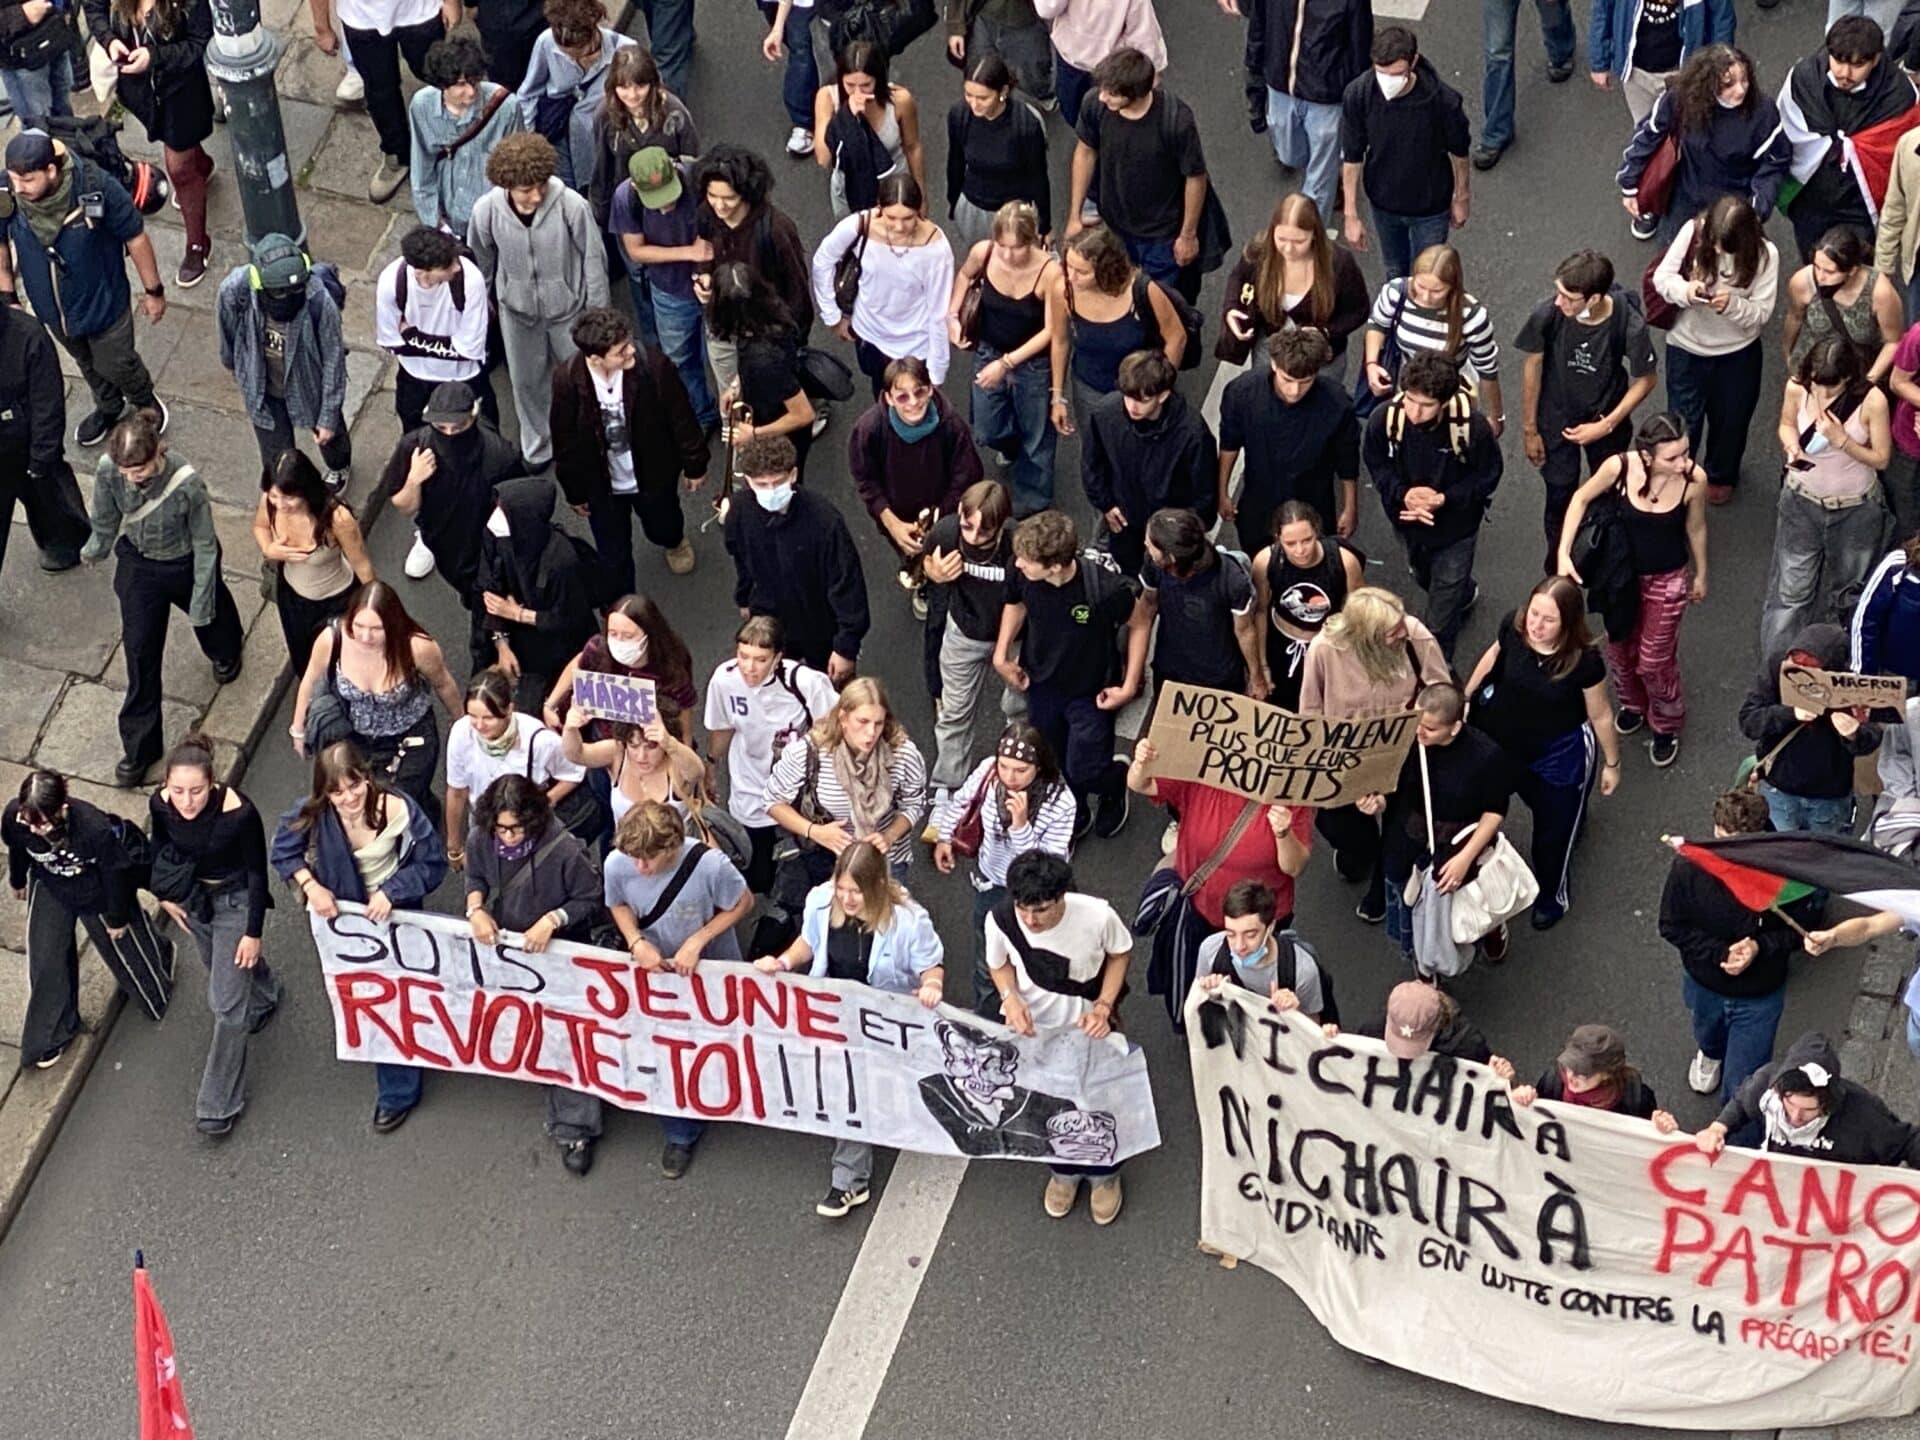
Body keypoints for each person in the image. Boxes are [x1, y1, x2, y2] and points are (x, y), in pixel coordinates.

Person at [754, 842, 944, 1217]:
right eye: (842, 889)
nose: (847, 898)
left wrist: (932, 985)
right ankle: (849, 1180)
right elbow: (808, 943)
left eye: (855, 891)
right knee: (850, 1093)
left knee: (877, 1087)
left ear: (876, 886)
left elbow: (931, 964)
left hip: (887, 1018)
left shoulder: (908, 920)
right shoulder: (821, 901)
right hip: (838, 1014)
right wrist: (783, 962)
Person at [271, 742, 446, 1130]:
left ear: (367, 778)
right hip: (349, 926)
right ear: (325, 793)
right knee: (377, 1000)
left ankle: (408, 1074)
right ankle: (398, 1091)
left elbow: (431, 866)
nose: (349, 799)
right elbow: (283, 851)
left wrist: (393, 891)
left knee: (404, 993)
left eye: (355, 787)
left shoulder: (398, 809)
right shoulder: (311, 814)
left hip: (398, 916)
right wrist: (309, 886)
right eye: (337, 792)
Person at [83, 411, 242, 788]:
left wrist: (202, 599)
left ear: (158, 454)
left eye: (139, 468)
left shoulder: (186, 483)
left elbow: (205, 545)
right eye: (127, 470)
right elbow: (105, 516)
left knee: (211, 614)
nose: (133, 477)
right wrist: (96, 548)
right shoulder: (109, 470)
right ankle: (141, 749)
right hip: (139, 563)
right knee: (140, 654)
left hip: (184, 561)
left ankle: (226, 649)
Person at [463, 774, 606, 1173]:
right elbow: (475, 876)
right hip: (515, 953)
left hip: (562, 951)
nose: (506, 837)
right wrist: (476, 908)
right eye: (500, 828)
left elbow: (591, 897)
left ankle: (575, 1125)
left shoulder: (562, 850)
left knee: (567, 1035)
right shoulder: (481, 837)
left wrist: (553, 920)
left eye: (515, 828)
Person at [605, 799, 754, 1177]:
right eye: (634, 859)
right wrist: (636, 942)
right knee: (667, 1052)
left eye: (648, 860)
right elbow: (618, 903)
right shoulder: (618, 863)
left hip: (711, 970)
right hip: (655, 974)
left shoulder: (710, 865)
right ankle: (680, 1132)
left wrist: (698, 940)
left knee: (717, 1043)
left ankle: (725, 1093)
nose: (639, 867)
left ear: (671, 848)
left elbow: (742, 902)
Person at [1464, 576, 1621, 931]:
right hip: (1502, 744)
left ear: (1568, 623)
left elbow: (1600, 714)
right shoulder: (1513, 626)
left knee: (1553, 835)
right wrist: (1467, 694)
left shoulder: (1584, 662)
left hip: (1557, 755)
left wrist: (1612, 763)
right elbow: (1495, 654)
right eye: (1534, 613)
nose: (1536, 625)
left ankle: (1552, 894)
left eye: (1548, 620)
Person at [0, 128, 170, 449]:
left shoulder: (95, 187)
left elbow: (135, 236)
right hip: (53, 311)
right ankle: (108, 407)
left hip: (104, 305)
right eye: (14, 178)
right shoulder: (7, 191)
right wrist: (9, 296)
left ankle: (144, 401)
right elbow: (0, 243)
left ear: (51, 170)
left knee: (116, 363)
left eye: (27, 179)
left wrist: (154, 291)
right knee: (87, 364)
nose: (18, 188)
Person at [984, 850, 1130, 1221]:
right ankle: (1063, 1172)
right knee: (1048, 1104)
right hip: (1036, 1033)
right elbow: (998, 964)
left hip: (1087, 1028)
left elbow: (1120, 954)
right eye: (1024, 910)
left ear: (1062, 896)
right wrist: (1010, 998)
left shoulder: (1098, 915)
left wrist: (1104, 1006)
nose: (1031, 920)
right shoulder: (1001, 919)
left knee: (1096, 1101)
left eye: (1042, 910)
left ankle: (1105, 1175)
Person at [1558, 411, 1709, 769]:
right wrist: (1563, 552)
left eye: (1685, 453)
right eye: (1672, 457)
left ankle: (1666, 722)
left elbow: (1697, 528)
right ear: (1647, 456)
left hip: (1668, 578)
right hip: (1620, 576)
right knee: (1619, 649)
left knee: (1655, 661)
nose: (1683, 463)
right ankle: (1633, 704)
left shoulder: (1694, 480)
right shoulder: (1619, 467)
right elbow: (1580, 499)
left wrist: (1701, 574)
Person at [1128, 736, 1312, 1027]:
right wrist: (1141, 763)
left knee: (1258, 984)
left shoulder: (1290, 796)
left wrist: (1283, 834)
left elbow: (1294, 866)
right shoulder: (1202, 775)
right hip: (1202, 910)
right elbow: (1142, 784)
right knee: (1202, 976)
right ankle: (1201, 1025)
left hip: (1258, 920)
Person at [148, 735, 279, 1139]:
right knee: (219, 965)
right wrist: (164, 895)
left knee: (224, 1004)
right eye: (178, 790)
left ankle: (218, 1103)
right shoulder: (160, 804)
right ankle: (266, 993)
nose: (186, 802)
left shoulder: (240, 815)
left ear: (214, 784)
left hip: (235, 900)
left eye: (197, 791)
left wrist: (252, 932)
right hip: (194, 898)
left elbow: (258, 873)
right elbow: (159, 846)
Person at [1298, 586, 1451, 922]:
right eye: (1391, 631)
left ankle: (1381, 888)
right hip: (1347, 755)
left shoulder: (1413, 635)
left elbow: (1439, 687)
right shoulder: (1325, 649)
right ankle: (1360, 854)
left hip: (1403, 748)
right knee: (1337, 823)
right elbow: (1311, 709)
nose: (1402, 632)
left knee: (1401, 826)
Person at [1659, 789, 1820, 1105]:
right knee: (1708, 1034)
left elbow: (1802, 932)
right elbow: (1671, 926)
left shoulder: (1787, 876)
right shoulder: (1688, 868)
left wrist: (1760, 947)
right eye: (1718, 838)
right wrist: (1720, 953)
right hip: (1704, 980)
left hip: (1759, 994)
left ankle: (1737, 1143)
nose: (1721, 853)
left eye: (1733, 846)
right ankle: (1711, 1053)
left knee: (1745, 1087)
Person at [996, 510, 1148, 838]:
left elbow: (1139, 623)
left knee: (1086, 766)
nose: (1018, 565)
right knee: (1052, 758)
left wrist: (1129, 684)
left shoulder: (1104, 589)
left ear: (1054, 566)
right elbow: (1015, 602)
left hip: (1090, 690)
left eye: (1026, 561)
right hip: (1040, 684)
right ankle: (1074, 809)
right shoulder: (1020, 568)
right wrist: (1001, 652)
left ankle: (1114, 781)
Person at [6, 770, 171, 1068]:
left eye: (41, 822)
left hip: (97, 891)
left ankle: (160, 957)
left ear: (61, 810)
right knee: (45, 960)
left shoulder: (93, 829)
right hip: (53, 884)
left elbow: (116, 873)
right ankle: (54, 1034)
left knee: (130, 963)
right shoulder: (15, 819)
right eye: (28, 822)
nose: (35, 830)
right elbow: (18, 849)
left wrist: (117, 918)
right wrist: (18, 880)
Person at [467, 132, 609, 470]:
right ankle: (539, 447)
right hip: (516, 313)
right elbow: (480, 259)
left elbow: (593, 259)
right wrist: (482, 303)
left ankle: (593, 439)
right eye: (526, 189)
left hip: (569, 312)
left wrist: (599, 316)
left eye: (541, 185)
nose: (536, 195)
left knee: (584, 380)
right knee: (527, 383)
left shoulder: (572, 205)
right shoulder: (486, 211)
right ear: (507, 186)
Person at [1516, 249, 1659, 560]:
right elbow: (1533, 367)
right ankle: (1557, 566)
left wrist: (1607, 424)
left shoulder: (1627, 322)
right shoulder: (1549, 315)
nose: (1559, 302)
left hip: (1604, 418)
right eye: (1558, 292)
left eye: (1569, 297)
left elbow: (1647, 379)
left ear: (1594, 299)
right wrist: (1530, 430)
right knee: (1558, 494)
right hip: (1557, 417)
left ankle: (1599, 557)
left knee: (1607, 492)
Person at [550, 305, 706, 591]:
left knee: (664, 521)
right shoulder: (568, 380)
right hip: (602, 481)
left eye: (629, 344)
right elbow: (564, 439)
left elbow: (681, 415)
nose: (631, 352)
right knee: (612, 552)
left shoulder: (654, 367)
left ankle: (673, 541)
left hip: (652, 468)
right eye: (620, 351)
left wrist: (694, 463)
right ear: (595, 359)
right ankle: (622, 603)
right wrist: (574, 490)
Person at [1362, 352, 1502, 660]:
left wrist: (1444, 499)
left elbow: (1488, 475)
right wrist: (1403, 494)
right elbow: (1376, 461)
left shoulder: (1472, 429)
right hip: (1407, 523)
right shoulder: (1386, 418)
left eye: (1426, 405)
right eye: (1410, 400)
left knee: (1439, 620)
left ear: (1444, 401)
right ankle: (1462, 594)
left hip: (1456, 530)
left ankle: (1437, 670)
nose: (1414, 411)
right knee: (1423, 576)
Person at [1367, 680, 1516, 968]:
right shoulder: (1407, 741)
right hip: (1409, 834)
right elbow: (1392, 790)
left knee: (1466, 899)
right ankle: (1423, 959)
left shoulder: (1485, 755)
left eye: (1430, 728)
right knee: (1407, 896)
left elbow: (1495, 810)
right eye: (1417, 722)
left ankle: (1489, 929)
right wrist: (1378, 804)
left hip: (1458, 841)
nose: (1419, 732)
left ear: (1455, 727)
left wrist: (1465, 858)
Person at [934, 721, 1076, 1014]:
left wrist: (1021, 827)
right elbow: (963, 801)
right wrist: (944, 838)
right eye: (1004, 766)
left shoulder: (1061, 802)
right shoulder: (989, 772)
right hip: (992, 884)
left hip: (1034, 896)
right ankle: (987, 1018)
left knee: (1035, 960)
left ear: (1039, 767)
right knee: (989, 962)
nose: (1009, 777)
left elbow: (1047, 869)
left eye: (1020, 770)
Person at [1765, 336, 1892, 661]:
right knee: (1791, 595)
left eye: (1831, 390)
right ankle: (1777, 673)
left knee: (1847, 596)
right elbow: (1786, 423)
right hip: (1801, 501)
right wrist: (1791, 446)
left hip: (1854, 510)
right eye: (1816, 387)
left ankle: (1838, 669)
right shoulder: (1798, 387)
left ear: (1849, 379)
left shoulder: (1872, 401)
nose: (1821, 396)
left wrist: (1843, 441)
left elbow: (1881, 458)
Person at [290, 580, 463, 813]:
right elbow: (310, 681)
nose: (364, 636)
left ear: (392, 624)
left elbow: (443, 684)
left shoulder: (417, 648)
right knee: (366, 802)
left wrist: (463, 725)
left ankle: (424, 822)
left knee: (406, 801)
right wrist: (299, 730)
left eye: (376, 629)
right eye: (358, 625)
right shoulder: (333, 639)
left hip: (410, 736)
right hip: (356, 737)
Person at [1651, 195, 1778, 505]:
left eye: (1727, 246)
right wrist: (1685, 291)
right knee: (1684, 419)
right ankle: (1680, 474)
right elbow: (1661, 278)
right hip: (1687, 347)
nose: (1719, 251)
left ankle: (1721, 473)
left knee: (1732, 419)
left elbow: (1762, 312)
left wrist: (1733, 306)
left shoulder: (1766, 255)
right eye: (1715, 244)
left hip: (1738, 351)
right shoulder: (1693, 231)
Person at [765, 677, 930, 914]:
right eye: (862, 721)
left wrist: (890, 836)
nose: (871, 733)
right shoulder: (810, 752)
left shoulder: (903, 754)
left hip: (886, 860)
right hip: (830, 860)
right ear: (843, 718)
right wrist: (817, 832)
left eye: (878, 723)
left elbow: (914, 802)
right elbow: (773, 801)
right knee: (836, 930)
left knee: (885, 926)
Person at [85, 0, 218, 287]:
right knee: (181, 149)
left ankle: (198, 244)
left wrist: (154, 56)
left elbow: (198, 42)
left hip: (181, 93)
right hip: (140, 92)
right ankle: (202, 165)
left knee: (179, 168)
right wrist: (109, 41)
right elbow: (93, 8)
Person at [1066, 47, 1213, 302]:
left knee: (1160, 300)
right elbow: (1085, 152)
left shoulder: (1175, 121)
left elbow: (1195, 177)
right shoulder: (1095, 105)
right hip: (1114, 225)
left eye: (1111, 94)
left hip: (1161, 234)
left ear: (1135, 94)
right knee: (1117, 289)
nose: (1102, 98)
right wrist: (1074, 215)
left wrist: (1187, 236)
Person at [704, 616, 837, 895]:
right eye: (744, 656)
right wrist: (711, 766)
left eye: (761, 659)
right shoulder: (724, 681)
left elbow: (834, 729)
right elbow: (722, 728)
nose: (750, 668)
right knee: (757, 863)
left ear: (778, 658)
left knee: (810, 857)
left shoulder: (805, 683)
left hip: (798, 790)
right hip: (750, 783)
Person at [382, 378, 525, 637]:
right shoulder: (414, 447)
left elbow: (519, 507)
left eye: (458, 427)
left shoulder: (499, 455)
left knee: (486, 605)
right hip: (443, 541)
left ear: (473, 417)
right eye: (441, 427)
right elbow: (404, 506)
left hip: (486, 547)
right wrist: (414, 479)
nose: (449, 434)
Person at [948, 200, 1063, 514]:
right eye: (1002, 246)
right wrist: (952, 316)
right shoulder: (983, 253)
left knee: (1037, 438)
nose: (1008, 255)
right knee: (986, 427)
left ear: (1034, 239)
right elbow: (964, 277)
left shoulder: (1050, 274)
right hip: (990, 350)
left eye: (1017, 247)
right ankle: (1011, 446)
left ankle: (1034, 500)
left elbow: (1053, 331)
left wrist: (1007, 363)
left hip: (1033, 364)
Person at [725, 434, 869, 680]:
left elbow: (847, 583)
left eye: (778, 482)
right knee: (775, 685)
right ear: (748, 480)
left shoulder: (825, 521)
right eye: (761, 484)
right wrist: (744, 597)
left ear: (793, 474)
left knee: (832, 689)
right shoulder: (739, 511)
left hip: (819, 624)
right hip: (770, 618)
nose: (771, 491)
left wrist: (845, 647)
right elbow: (740, 557)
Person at [848, 355, 984, 618]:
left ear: (930, 389)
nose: (913, 403)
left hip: (943, 514)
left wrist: (941, 517)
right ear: (888, 398)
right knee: (909, 551)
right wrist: (891, 523)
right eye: (902, 397)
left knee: (949, 552)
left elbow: (965, 476)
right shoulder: (869, 430)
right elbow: (865, 479)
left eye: (919, 392)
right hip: (898, 518)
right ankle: (920, 578)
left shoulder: (951, 426)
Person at [1777, 17, 1920, 262]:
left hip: (1860, 208)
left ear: (1876, 60)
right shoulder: (1804, 79)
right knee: (1816, 266)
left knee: (1857, 272)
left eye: (1857, 65)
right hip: (1810, 200)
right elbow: (1783, 134)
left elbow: (1905, 159)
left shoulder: (1900, 97)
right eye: (1838, 61)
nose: (1845, 73)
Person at [1617, 45, 1788, 248]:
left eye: (1745, 80)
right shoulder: (1681, 98)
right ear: (1708, 84)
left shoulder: (1763, 114)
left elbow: (1775, 162)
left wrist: (1756, 209)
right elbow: (1649, 135)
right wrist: (1629, 183)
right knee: (1675, 252)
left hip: (1731, 204)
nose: (1741, 89)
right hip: (1686, 194)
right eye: (1728, 84)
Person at [217, 234, 352, 487]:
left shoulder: (319, 302)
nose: (288, 301)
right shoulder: (235, 291)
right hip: (263, 390)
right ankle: (285, 489)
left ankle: (339, 466)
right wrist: (237, 369)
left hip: (307, 382)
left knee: (332, 437)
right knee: (275, 454)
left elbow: (334, 359)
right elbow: (227, 335)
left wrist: (327, 416)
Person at [1338, 26, 1471, 281]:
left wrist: (1462, 197)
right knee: (1395, 273)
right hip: (1384, 205)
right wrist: (1351, 215)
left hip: (1431, 208)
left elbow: (1459, 151)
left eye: (1396, 74)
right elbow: (1352, 156)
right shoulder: (1359, 94)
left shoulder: (1443, 101)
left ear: (1414, 62)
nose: (1387, 82)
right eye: (1381, 73)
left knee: (1427, 275)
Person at [922, 480, 1024, 807]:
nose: (973, 537)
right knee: (954, 713)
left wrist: (1002, 653)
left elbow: (1021, 601)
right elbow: (924, 561)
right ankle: (947, 788)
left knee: (1019, 708)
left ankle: (1016, 776)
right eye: (967, 526)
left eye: (984, 532)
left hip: (1014, 637)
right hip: (964, 631)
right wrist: (935, 573)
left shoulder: (1016, 543)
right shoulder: (945, 533)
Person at [812, 172, 955, 395]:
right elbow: (823, 260)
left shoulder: (936, 250)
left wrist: (937, 371)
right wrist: (831, 315)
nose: (899, 227)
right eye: (891, 218)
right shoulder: (859, 226)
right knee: (880, 393)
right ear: (879, 207)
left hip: (915, 345)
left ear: (919, 211)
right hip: (870, 336)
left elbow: (939, 312)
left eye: (908, 218)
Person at [691, 144, 816, 396]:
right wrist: (705, 274)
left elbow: (797, 289)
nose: (719, 205)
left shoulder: (776, 229)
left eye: (729, 198)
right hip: (721, 321)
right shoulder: (706, 214)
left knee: (773, 393)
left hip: (766, 329)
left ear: (747, 193)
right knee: (729, 392)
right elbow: (705, 247)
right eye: (712, 195)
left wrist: (794, 339)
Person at [1219, 327, 1359, 550]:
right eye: (1288, 380)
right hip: (1260, 496)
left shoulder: (1337, 403)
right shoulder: (1242, 393)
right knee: (1257, 558)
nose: (1295, 391)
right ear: (1274, 364)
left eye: (1306, 382)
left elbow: (1347, 458)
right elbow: (1229, 442)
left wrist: (1350, 506)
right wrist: (1222, 491)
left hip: (1313, 498)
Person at [1080, 349, 1216, 576]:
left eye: (1142, 400)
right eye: (1128, 396)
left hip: (1169, 534)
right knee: (1130, 574)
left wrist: (1183, 533)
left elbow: (1204, 491)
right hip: (1125, 522)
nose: (1132, 407)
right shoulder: (1105, 414)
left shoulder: (1192, 433)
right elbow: (1092, 462)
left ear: (1163, 395)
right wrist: (1105, 503)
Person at [611, 147, 718, 435]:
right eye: (656, 201)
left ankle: (734, 415)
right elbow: (636, 251)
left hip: (715, 285)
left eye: (670, 196)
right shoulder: (626, 198)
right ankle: (702, 414)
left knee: (724, 354)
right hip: (669, 290)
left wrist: (707, 267)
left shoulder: (699, 176)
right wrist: (690, 253)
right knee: (680, 359)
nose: (666, 206)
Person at [1695, 1032, 1920, 1166]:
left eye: (1809, 1111)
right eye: (1789, 1105)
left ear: (1828, 1103)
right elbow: (1742, 1104)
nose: (1795, 1117)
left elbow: (1908, 1143)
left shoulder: (1865, 1115)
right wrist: (1718, 1128)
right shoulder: (1765, 1085)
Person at [1740, 622, 1880, 835]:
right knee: (1784, 854)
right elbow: (1749, 720)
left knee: (1822, 858)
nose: (1799, 675)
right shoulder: (1777, 668)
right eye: (1795, 666)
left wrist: (1854, 734)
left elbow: (1873, 736)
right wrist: (1790, 713)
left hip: (1828, 797)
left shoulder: (1852, 685)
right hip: (1780, 790)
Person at [477, 473, 603, 709]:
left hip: (567, 649)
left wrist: (518, 615)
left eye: (503, 511)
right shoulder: (499, 542)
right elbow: (492, 593)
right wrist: (501, 644)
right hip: (526, 649)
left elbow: (571, 617)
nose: (495, 516)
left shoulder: (562, 560)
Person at [444, 668, 591, 865]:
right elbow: (456, 792)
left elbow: (574, 773)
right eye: (472, 716)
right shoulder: (461, 732)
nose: (479, 725)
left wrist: (547, 800)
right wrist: (454, 846)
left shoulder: (540, 741)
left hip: (526, 830)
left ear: (509, 709)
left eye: (488, 718)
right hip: (483, 823)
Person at [310, 0, 452, 202]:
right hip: (360, 17)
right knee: (379, 90)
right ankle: (397, 154)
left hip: (420, 11)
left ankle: (452, 137)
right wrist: (322, 27)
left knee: (435, 73)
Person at [1244, 0, 1370, 222]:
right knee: (1289, 155)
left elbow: (1359, 47)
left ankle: (1313, 239)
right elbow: (1258, 26)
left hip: (1327, 99)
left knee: (1319, 180)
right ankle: (1333, 166)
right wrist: (1254, 73)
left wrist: (1350, 97)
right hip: (1281, 87)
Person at [1215, 191, 1369, 371]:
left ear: (1315, 234)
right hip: (1270, 349)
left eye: (1298, 241)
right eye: (1281, 239)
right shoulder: (1260, 251)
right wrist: (1232, 308)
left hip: (1321, 360)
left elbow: (1358, 310)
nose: (1288, 249)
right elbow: (1238, 277)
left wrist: (1326, 332)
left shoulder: (1340, 263)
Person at [253, 451, 374, 675]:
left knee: (344, 666)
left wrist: (374, 606)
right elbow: (260, 527)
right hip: (293, 600)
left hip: (337, 602)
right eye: (273, 496)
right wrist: (270, 549)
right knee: (306, 661)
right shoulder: (270, 503)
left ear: (305, 489)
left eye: (289, 497)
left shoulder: (336, 519)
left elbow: (361, 564)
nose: (280, 505)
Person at [1054, 224, 1186, 430]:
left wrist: (1156, 387)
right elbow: (1060, 341)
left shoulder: (1142, 290)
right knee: (1097, 451)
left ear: (1105, 269)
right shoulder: (1064, 290)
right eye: (1068, 266)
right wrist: (1057, 396)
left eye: (1081, 271)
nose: (1071, 277)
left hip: (1138, 391)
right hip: (1090, 389)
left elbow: (1176, 338)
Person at [1358, 243, 1504, 428]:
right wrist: (1371, 365)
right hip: (1406, 386)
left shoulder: (1472, 316)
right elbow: (1377, 324)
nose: (1426, 297)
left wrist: (1496, 416)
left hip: (1451, 394)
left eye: (1437, 291)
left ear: (1453, 286)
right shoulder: (1395, 292)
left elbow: (1487, 370)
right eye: (1420, 286)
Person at [407, 32, 526, 242]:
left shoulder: (506, 106)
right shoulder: (422, 105)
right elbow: (421, 165)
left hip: (490, 217)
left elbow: (516, 168)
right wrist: (433, 221)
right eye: (461, 84)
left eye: (475, 81)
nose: (471, 92)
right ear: (443, 84)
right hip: (447, 214)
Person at [376, 226, 495, 432]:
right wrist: (449, 346)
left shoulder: (470, 280)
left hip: (464, 376)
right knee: (415, 436)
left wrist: (411, 336)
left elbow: (469, 350)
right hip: (415, 377)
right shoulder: (391, 282)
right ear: (423, 271)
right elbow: (391, 344)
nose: (457, 267)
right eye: (449, 265)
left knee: (485, 430)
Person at [1251, 500, 1366, 712]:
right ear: (1278, 539)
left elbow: (1359, 615)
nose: (1300, 550)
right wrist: (1261, 666)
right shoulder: (1265, 562)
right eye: (1290, 544)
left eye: (1307, 540)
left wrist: (1354, 663)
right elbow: (1259, 612)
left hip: (1329, 646)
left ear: (1317, 532)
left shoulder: (1345, 561)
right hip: (1282, 647)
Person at [707, 261, 818, 478]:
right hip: (770, 408)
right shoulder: (772, 318)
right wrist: (736, 384)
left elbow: (804, 414)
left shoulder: (766, 361)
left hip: (779, 433)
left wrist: (754, 434)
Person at [1137, 508, 1260, 704]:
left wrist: (1256, 677)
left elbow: (1244, 631)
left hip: (1220, 680)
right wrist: (1135, 668)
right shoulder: (1153, 564)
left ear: (1172, 558)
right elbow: (1147, 607)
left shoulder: (1232, 579)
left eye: (1150, 543)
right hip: (1171, 673)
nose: (1145, 544)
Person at [0, 300, 87, 576]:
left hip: (26, 445)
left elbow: (47, 404)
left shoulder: (28, 336)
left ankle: (65, 545)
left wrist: (41, 459)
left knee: (51, 503)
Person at [542, 592, 699, 744]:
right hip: (602, 740)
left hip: (648, 748)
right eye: (613, 633)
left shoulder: (671, 669)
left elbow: (684, 720)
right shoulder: (598, 649)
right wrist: (550, 704)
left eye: (628, 636)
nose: (619, 641)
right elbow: (577, 664)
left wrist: (683, 757)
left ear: (649, 634)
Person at [1587, 0, 1734, 156]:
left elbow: (1722, 19)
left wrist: (1718, 68)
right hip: (1636, 75)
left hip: (1684, 75)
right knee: (1646, 133)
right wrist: (1599, 62)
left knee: (1691, 133)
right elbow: (1602, 8)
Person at [516, 0, 633, 191]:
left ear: (594, 32)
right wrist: (531, 140)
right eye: (566, 55)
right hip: (556, 134)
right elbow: (528, 94)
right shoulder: (546, 42)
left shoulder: (625, 51)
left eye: (582, 54)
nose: (573, 60)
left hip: (599, 145)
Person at [587, 46, 698, 246]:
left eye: (640, 86)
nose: (632, 95)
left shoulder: (675, 112)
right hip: (629, 200)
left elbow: (691, 161)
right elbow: (602, 167)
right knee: (635, 261)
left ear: (653, 83)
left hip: (668, 198)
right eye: (624, 87)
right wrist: (601, 215)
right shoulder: (604, 115)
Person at [812, 39, 926, 221]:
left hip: (893, 185)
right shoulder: (827, 98)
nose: (858, 92)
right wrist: (846, 117)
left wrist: (920, 194)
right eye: (849, 85)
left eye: (866, 85)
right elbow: (824, 158)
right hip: (850, 188)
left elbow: (912, 147)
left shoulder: (900, 101)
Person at [946, 53, 1050, 252]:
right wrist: (953, 200)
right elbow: (955, 160)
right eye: (968, 95)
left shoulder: (1025, 124)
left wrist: (1045, 224)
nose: (974, 104)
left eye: (983, 98)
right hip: (974, 208)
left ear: (1003, 91)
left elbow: (1038, 176)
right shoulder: (960, 114)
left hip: (1013, 212)